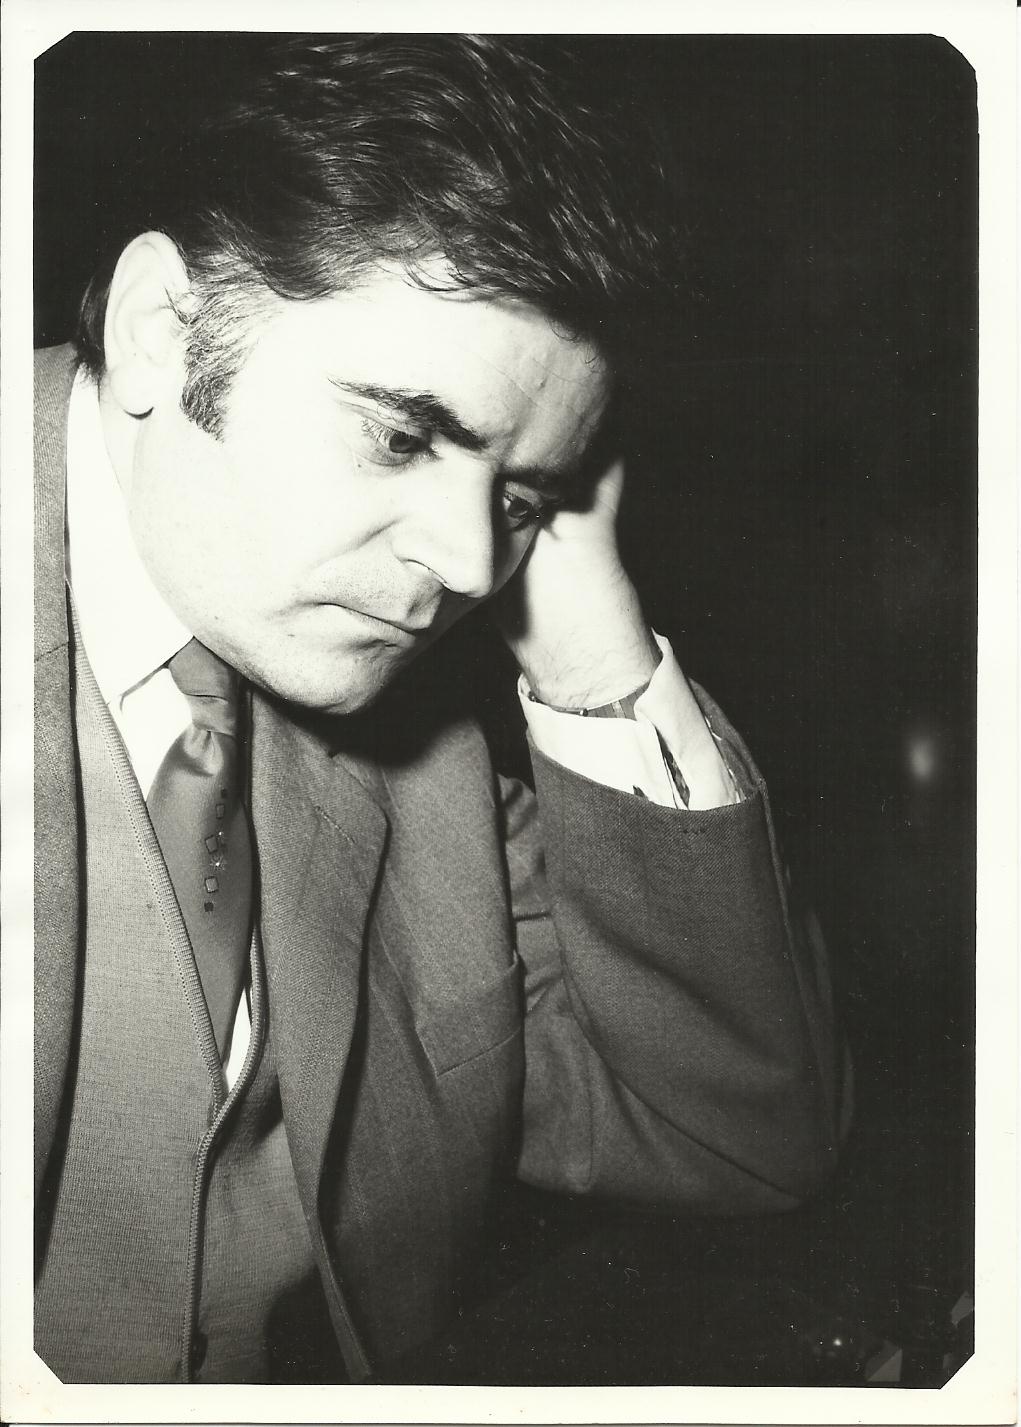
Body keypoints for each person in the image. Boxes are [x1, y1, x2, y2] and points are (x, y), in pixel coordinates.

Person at [33, 33, 846, 1385]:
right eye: (400, 434)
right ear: (158, 330)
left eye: (521, 499)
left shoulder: (423, 766)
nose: (473, 565)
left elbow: (746, 1140)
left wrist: (593, 660)